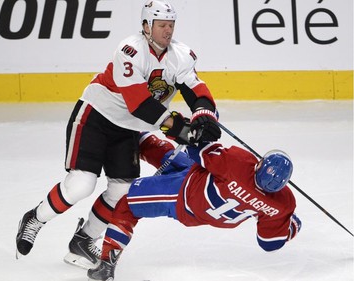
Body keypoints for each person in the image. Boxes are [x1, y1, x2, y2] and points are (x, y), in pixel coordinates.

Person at [15, 0, 221, 270]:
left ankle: (84, 239)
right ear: (146, 26)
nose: (167, 31)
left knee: (122, 191)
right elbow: (139, 103)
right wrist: (179, 127)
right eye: (161, 25)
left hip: (128, 128)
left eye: (170, 25)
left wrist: (204, 114)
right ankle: (35, 218)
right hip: (96, 118)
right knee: (81, 184)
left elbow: (196, 90)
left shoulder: (180, 55)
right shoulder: (130, 50)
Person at [87, 132, 302, 280]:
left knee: (127, 203)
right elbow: (269, 243)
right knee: (163, 151)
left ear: (260, 165)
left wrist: (186, 129)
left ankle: (106, 263)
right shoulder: (282, 204)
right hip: (197, 190)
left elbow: (197, 150)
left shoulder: (238, 163)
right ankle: (130, 131)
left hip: (182, 196)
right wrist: (289, 226)